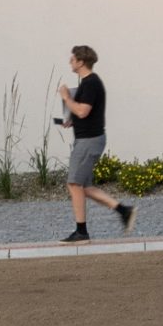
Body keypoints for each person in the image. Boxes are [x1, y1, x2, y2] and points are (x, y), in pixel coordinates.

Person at [56, 44, 136, 242]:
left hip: (88, 141)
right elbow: (83, 113)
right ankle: (124, 211)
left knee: (74, 184)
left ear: (81, 61)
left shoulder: (91, 83)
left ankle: (81, 232)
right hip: (88, 139)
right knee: (85, 187)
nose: (70, 62)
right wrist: (70, 119)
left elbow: (83, 111)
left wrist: (66, 99)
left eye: (73, 59)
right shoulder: (86, 83)